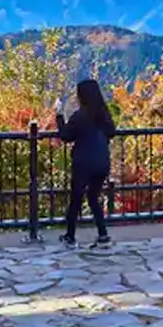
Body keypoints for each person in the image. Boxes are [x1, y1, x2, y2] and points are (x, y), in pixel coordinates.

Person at [56, 79, 116, 250]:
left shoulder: (80, 116)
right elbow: (112, 132)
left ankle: (70, 236)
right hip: (102, 162)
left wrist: (59, 116)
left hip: (83, 162)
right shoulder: (104, 115)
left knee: (76, 198)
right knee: (93, 198)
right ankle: (103, 234)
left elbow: (66, 135)